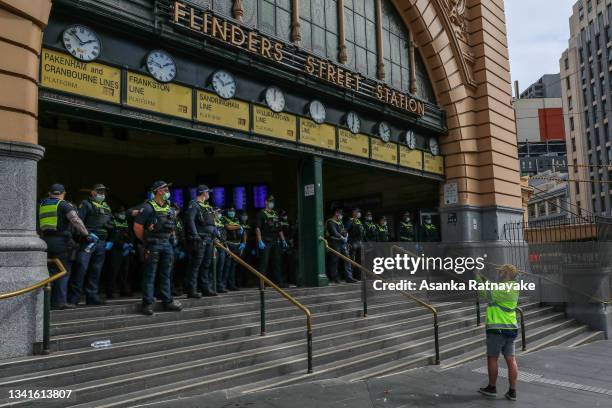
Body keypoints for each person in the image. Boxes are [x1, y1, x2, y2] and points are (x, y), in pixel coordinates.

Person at [38, 183, 92, 310]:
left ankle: (47, 301)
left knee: (49, 270)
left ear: (49, 193)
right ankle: (60, 301)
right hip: (61, 241)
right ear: (63, 194)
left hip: (45, 241)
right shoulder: (64, 205)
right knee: (63, 271)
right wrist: (86, 234)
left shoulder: (42, 205)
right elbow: (75, 220)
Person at [133, 181, 183, 315]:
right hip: (153, 244)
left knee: (166, 273)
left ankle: (167, 301)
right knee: (150, 274)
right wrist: (146, 242)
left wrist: (173, 239)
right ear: (157, 191)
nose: (168, 191)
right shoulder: (148, 207)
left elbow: (172, 226)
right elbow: (137, 227)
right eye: (165, 189)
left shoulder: (169, 208)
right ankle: (147, 304)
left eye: (167, 189)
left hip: (167, 244)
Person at [476, 264, 520, 402]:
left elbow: (484, 293)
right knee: (511, 359)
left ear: (506, 273)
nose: (499, 274)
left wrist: (477, 278)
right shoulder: (514, 287)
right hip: (511, 328)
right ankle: (512, 391)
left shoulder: (502, 288)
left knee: (492, 358)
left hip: (497, 329)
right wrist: (484, 279)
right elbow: (493, 288)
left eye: (501, 272)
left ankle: (492, 387)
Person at [68, 184, 114, 305]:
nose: (102, 193)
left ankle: (92, 296)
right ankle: (74, 298)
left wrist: (111, 240)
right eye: (99, 191)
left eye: (104, 191)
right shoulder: (86, 204)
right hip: (88, 242)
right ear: (92, 192)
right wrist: (86, 235)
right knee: (81, 269)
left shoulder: (107, 207)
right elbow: (78, 223)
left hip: (101, 243)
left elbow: (112, 225)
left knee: (96, 270)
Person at [183, 185, 217, 297]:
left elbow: (211, 223)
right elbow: (190, 220)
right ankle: (191, 290)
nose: (209, 194)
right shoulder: (194, 205)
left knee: (206, 265)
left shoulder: (206, 206)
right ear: (203, 193)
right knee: (196, 265)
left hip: (209, 239)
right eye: (208, 192)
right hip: (199, 239)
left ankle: (205, 288)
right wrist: (195, 235)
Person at [255, 195, 288, 286]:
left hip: (275, 241)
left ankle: (278, 282)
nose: (271, 203)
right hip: (265, 241)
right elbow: (258, 228)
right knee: (264, 263)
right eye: (270, 201)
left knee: (277, 262)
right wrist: (259, 240)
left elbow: (279, 229)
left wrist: (283, 240)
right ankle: (261, 283)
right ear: (265, 202)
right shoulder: (261, 214)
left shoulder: (275, 214)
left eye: (272, 201)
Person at [106, 206, 134, 298]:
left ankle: (124, 290)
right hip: (115, 250)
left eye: (123, 213)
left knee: (125, 271)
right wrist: (122, 245)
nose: (122, 214)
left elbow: (131, 235)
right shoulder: (112, 222)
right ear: (115, 214)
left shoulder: (126, 223)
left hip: (126, 250)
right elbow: (113, 237)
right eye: (120, 213)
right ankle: (111, 292)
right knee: (113, 271)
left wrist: (130, 244)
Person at [325, 208, 357, 284]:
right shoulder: (330, 221)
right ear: (336, 213)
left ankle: (349, 277)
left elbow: (344, 230)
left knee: (347, 259)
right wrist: (342, 237)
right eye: (340, 214)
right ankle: (335, 278)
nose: (341, 216)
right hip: (334, 243)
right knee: (335, 261)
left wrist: (346, 236)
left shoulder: (340, 222)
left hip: (343, 243)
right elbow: (334, 232)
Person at [222, 206, 243, 291]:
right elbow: (228, 227)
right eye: (230, 211)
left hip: (237, 245)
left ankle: (231, 284)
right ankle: (224, 285)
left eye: (233, 211)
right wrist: (238, 226)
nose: (232, 212)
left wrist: (243, 243)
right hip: (229, 245)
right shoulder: (224, 218)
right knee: (227, 266)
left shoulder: (236, 219)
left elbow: (243, 231)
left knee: (233, 267)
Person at [345, 208, 365, 279]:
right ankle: (351, 276)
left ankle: (359, 276)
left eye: (359, 212)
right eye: (357, 212)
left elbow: (362, 233)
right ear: (353, 213)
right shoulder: (350, 221)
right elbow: (345, 231)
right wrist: (347, 242)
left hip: (359, 242)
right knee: (352, 260)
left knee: (359, 260)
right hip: (352, 242)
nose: (359, 213)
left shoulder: (359, 222)